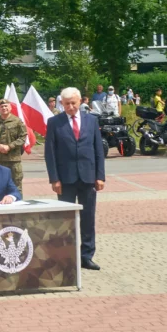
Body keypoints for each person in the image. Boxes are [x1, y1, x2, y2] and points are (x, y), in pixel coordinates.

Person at [44, 87, 106, 271]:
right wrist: (54, 179)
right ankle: (66, 256)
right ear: (61, 104)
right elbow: (50, 153)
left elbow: (98, 150)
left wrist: (100, 176)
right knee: (65, 220)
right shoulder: (54, 122)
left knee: (88, 219)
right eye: (67, 103)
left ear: (80, 102)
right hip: (65, 179)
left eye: (73, 103)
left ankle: (86, 256)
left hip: (88, 178)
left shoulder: (91, 121)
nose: (70, 107)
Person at [0, 99, 28, 193]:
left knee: (16, 187)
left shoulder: (17, 121)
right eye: (1, 106)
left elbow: (23, 137)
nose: (4, 108)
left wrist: (9, 146)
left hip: (14, 161)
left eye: (6, 106)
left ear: (10, 107)